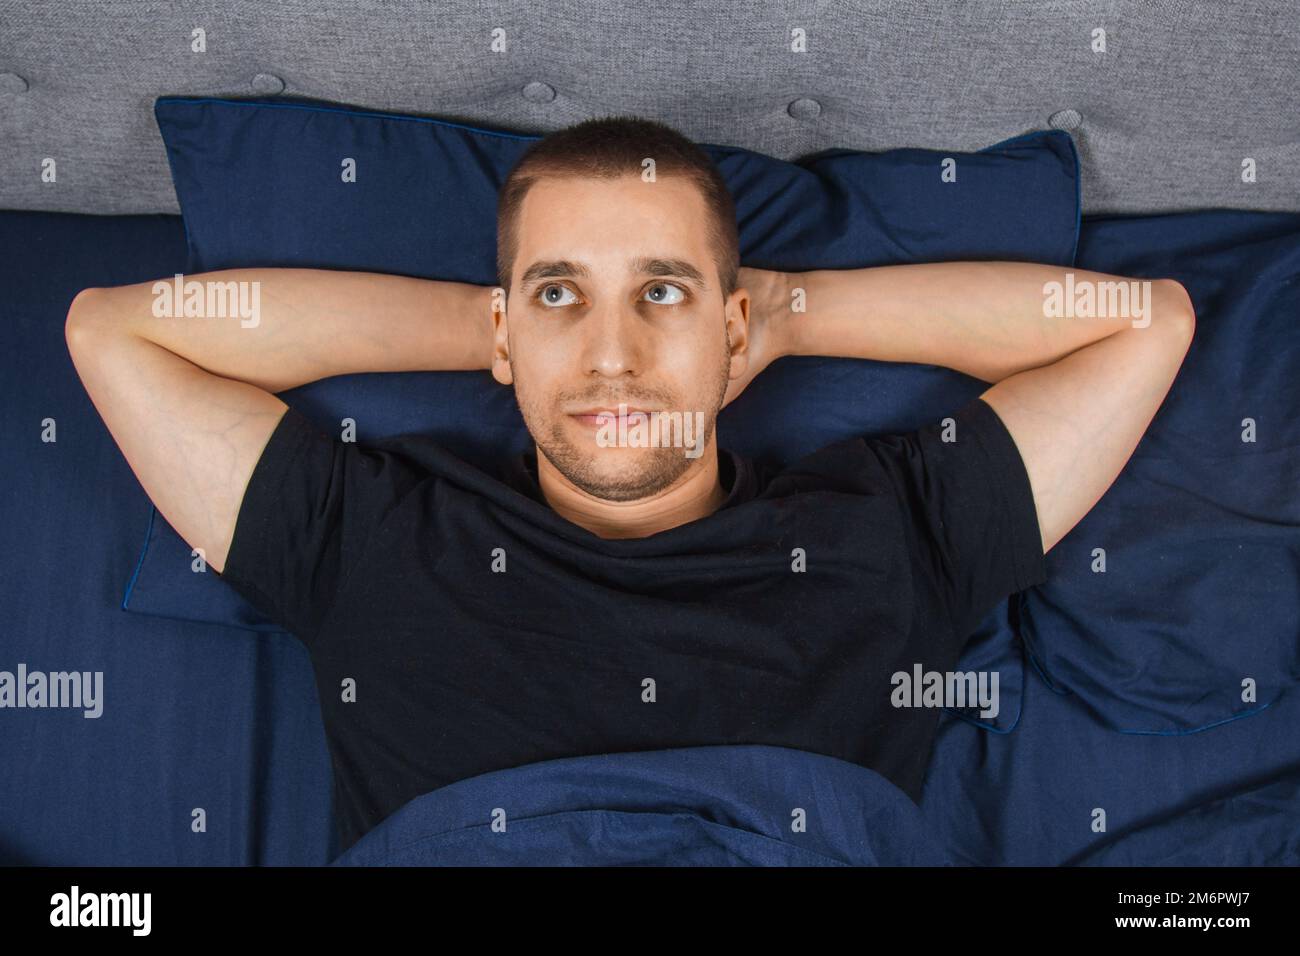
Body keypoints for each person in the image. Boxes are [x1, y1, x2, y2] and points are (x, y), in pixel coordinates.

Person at [65, 116, 1195, 854]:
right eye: (561, 296)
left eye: (662, 294)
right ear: (504, 327)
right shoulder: (371, 533)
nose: (612, 356)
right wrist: (495, 334)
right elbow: (112, 331)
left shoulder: (890, 528)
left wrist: (791, 310)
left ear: (731, 326)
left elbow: (1144, 324)